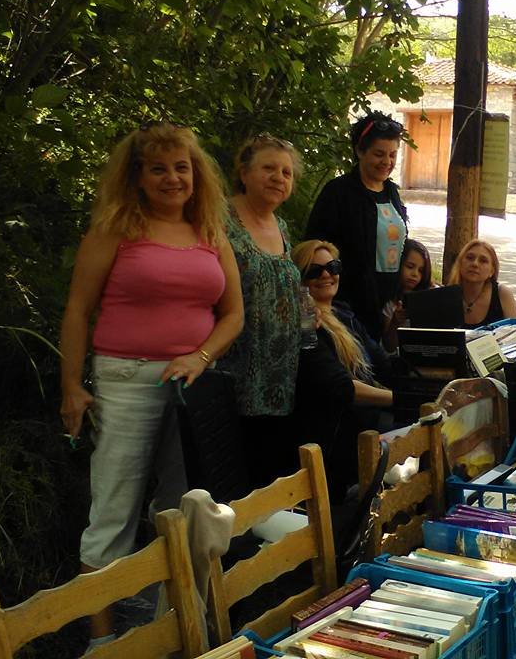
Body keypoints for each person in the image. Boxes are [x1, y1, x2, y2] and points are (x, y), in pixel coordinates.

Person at [58, 122, 245, 647]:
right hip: (125, 380)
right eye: (159, 169)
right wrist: (72, 385)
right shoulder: (117, 226)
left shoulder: (210, 231)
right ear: (138, 176)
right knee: (114, 508)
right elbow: (77, 310)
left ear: (196, 174)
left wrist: (200, 355)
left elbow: (233, 314)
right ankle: (102, 640)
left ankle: (175, 624)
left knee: (184, 506)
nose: (172, 178)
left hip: (192, 388)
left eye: (181, 167)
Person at [221, 133, 304, 489]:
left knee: (268, 472)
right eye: (268, 168)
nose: (279, 178)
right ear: (243, 172)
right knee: (233, 471)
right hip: (234, 370)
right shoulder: (220, 220)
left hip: (280, 375)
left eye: (286, 173)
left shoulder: (281, 226)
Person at [291, 240, 394, 497]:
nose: (326, 275)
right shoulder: (306, 327)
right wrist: (398, 399)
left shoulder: (343, 314)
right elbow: (342, 388)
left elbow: (384, 364)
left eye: (332, 266)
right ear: (300, 280)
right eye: (314, 271)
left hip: (369, 419)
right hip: (341, 438)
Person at [305, 111, 407, 341]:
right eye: (379, 154)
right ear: (360, 151)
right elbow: (315, 247)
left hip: (387, 305)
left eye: (392, 155)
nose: (387, 162)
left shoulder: (392, 192)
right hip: (348, 304)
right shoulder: (338, 192)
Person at [447, 239, 516, 329]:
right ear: (460, 263)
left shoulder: (502, 293)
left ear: (492, 271)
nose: (475, 264)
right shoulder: (446, 296)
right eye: (470, 258)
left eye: (483, 261)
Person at [382, 238, 434, 352]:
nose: (415, 274)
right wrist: (395, 322)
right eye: (410, 267)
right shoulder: (389, 302)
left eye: (421, 270)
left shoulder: (430, 295)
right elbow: (389, 347)